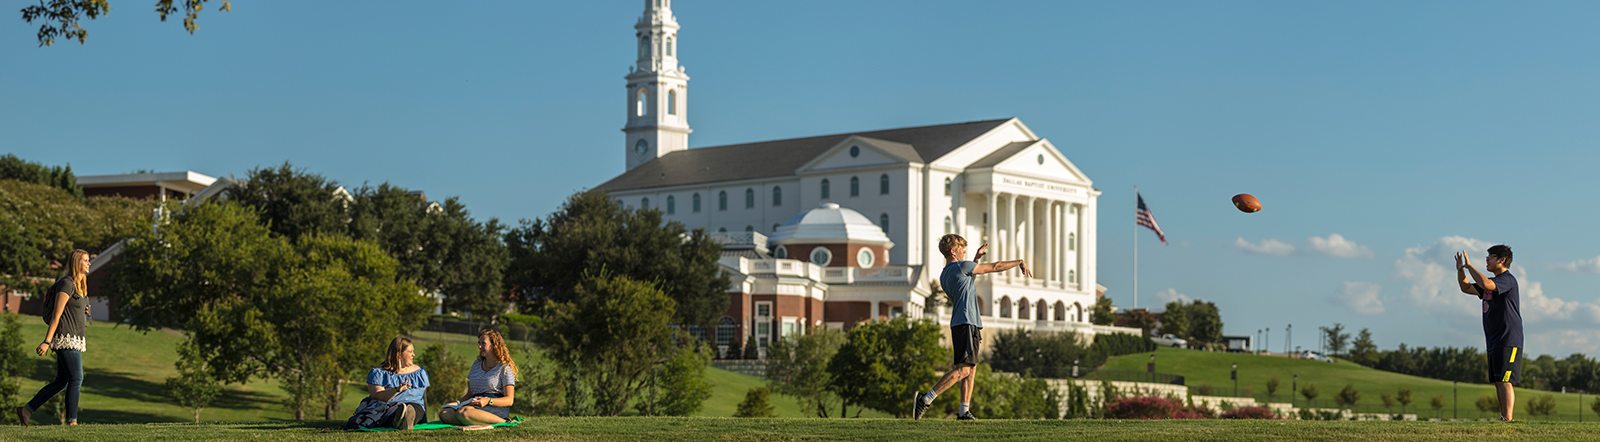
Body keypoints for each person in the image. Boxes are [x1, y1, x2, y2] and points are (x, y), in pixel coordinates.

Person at [913, 234, 1031, 421]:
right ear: (953, 251)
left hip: (963, 323)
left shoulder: (946, 273)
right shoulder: (962, 266)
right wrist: (1019, 262)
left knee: (970, 368)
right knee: (964, 370)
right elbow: (995, 267)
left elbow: (967, 280)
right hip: (966, 322)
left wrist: (975, 259)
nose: (964, 251)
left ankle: (963, 412)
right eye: (961, 248)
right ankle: (925, 399)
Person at [16, 250, 93, 427]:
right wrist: (47, 341)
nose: (89, 264)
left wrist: (84, 310)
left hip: (75, 338)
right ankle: (71, 421)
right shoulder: (67, 284)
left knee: (62, 381)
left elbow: (72, 309)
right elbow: (57, 315)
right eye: (86, 261)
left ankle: (27, 410)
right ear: (77, 263)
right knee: (76, 378)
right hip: (65, 338)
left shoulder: (82, 286)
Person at [1457, 245, 1521, 422]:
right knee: (1498, 380)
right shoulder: (1492, 283)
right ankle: (1503, 417)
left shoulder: (1506, 280)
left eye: (1490, 257)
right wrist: (1460, 270)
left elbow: (1486, 283)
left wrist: (1470, 267)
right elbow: (1465, 287)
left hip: (1508, 338)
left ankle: (1508, 419)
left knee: (1505, 379)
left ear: (1502, 260)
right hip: (1494, 340)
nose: (1487, 260)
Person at [440, 329, 516, 425]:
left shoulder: (504, 368)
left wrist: (488, 401)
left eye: (483, 343)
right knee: (445, 413)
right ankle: (475, 420)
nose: (479, 346)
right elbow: (469, 394)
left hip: (494, 405)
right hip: (474, 404)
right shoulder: (476, 364)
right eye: (479, 343)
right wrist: (457, 403)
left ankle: (504, 422)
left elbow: (509, 400)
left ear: (494, 345)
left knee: (465, 412)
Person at [365, 337, 430, 430]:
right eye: (410, 352)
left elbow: (423, 398)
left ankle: (406, 419)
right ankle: (400, 420)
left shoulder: (420, 372)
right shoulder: (378, 373)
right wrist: (396, 390)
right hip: (391, 407)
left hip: (416, 408)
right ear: (399, 354)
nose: (414, 355)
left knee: (413, 408)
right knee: (395, 412)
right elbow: (377, 397)